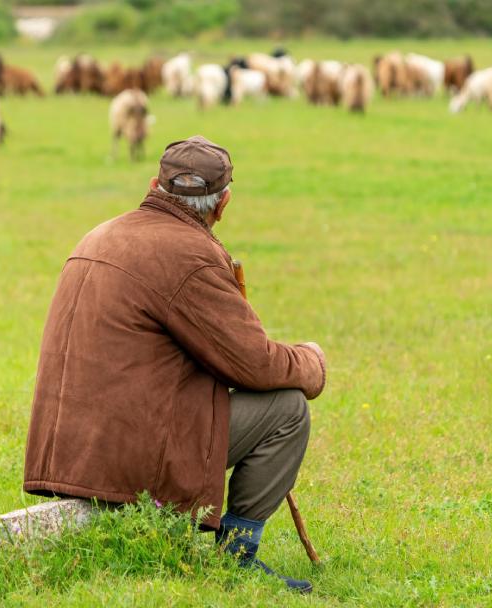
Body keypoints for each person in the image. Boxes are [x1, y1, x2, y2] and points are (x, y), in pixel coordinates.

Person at [23, 135, 326, 592]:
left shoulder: (99, 233)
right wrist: (311, 362)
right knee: (286, 409)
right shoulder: (191, 256)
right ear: (223, 204)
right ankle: (236, 560)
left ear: (153, 186)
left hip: (69, 457)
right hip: (126, 462)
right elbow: (256, 366)